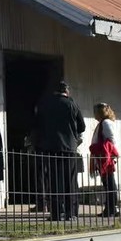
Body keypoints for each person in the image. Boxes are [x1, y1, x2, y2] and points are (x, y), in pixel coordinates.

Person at [32, 81, 85, 221]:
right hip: (69, 148)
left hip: (51, 147)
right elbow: (82, 126)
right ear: (67, 91)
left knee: (54, 181)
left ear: (54, 91)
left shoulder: (44, 104)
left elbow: (37, 125)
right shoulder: (72, 104)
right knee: (70, 181)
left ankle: (55, 213)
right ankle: (71, 213)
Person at [89, 103, 120, 218]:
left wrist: (105, 153)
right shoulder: (104, 123)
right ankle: (111, 207)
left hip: (105, 158)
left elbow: (111, 140)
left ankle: (111, 208)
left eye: (95, 112)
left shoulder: (106, 123)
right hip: (103, 157)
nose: (94, 114)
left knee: (109, 183)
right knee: (108, 183)